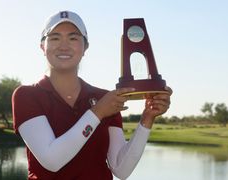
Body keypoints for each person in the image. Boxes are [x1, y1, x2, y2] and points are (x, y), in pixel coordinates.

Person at [12, 10, 172, 180]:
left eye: (73, 38)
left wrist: (147, 118)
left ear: (85, 47)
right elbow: (52, 160)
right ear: (42, 46)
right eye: (55, 38)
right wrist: (98, 112)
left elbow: (121, 169)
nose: (64, 45)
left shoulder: (104, 97)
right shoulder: (26, 95)